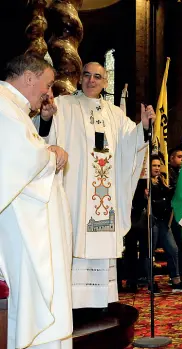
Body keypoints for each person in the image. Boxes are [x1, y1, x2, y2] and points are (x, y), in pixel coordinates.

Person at [37, 61, 156, 309]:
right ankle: (71, 302)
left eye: (98, 77)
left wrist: (144, 126)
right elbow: (43, 137)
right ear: (81, 78)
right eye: (88, 75)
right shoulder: (64, 106)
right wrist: (46, 118)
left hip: (105, 195)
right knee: (74, 238)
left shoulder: (114, 114)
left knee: (101, 242)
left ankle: (101, 299)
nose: (92, 80)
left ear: (105, 81)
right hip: (76, 192)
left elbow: (130, 144)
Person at [0, 54, 72, 349]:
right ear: (29, 77)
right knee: (30, 297)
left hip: (25, 224)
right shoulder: (4, 107)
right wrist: (52, 154)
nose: (48, 92)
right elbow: (22, 162)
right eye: (48, 83)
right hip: (21, 228)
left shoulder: (13, 109)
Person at [147, 155, 182, 291]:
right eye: (154, 165)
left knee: (173, 249)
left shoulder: (162, 180)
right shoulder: (145, 183)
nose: (157, 168)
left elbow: (169, 196)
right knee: (150, 252)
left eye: (158, 165)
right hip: (152, 222)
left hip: (164, 222)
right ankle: (150, 282)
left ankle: (176, 280)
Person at [168, 148, 182, 283]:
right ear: (171, 158)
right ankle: (176, 276)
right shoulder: (168, 173)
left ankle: (181, 273)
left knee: (179, 246)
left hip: (179, 212)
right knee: (175, 247)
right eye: (179, 157)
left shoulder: (181, 172)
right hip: (170, 214)